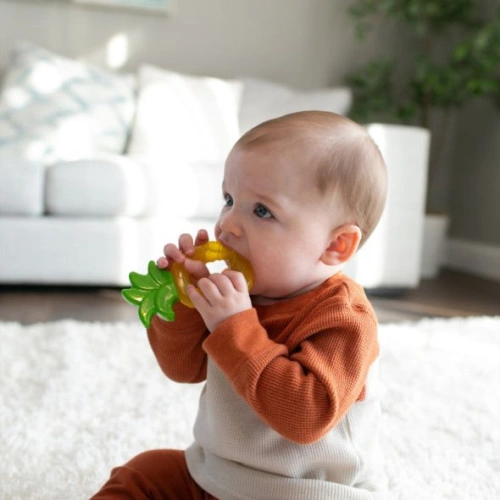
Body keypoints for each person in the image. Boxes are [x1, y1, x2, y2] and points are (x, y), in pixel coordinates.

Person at [91, 111, 388, 500]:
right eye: (229, 200)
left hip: (306, 491)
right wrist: (185, 302)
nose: (227, 224)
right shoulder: (239, 294)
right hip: (220, 476)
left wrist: (234, 326)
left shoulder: (345, 318)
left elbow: (305, 416)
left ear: (336, 245)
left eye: (262, 211)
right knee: (146, 472)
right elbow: (182, 368)